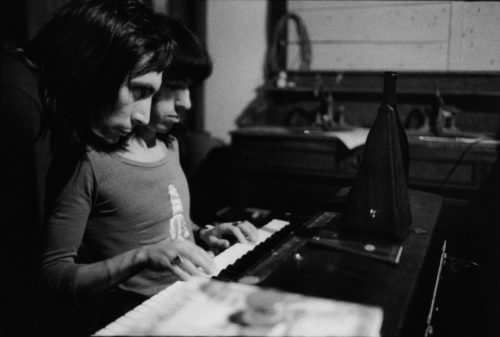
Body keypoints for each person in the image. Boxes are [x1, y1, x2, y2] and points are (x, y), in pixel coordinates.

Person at [37, 9, 258, 336]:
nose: (187, 104)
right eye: (175, 87)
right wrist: (141, 257)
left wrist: (205, 232)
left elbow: (172, 229)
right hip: (135, 315)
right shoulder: (88, 161)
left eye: (190, 89)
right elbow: (52, 277)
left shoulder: (168, 145)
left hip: (189, 299)